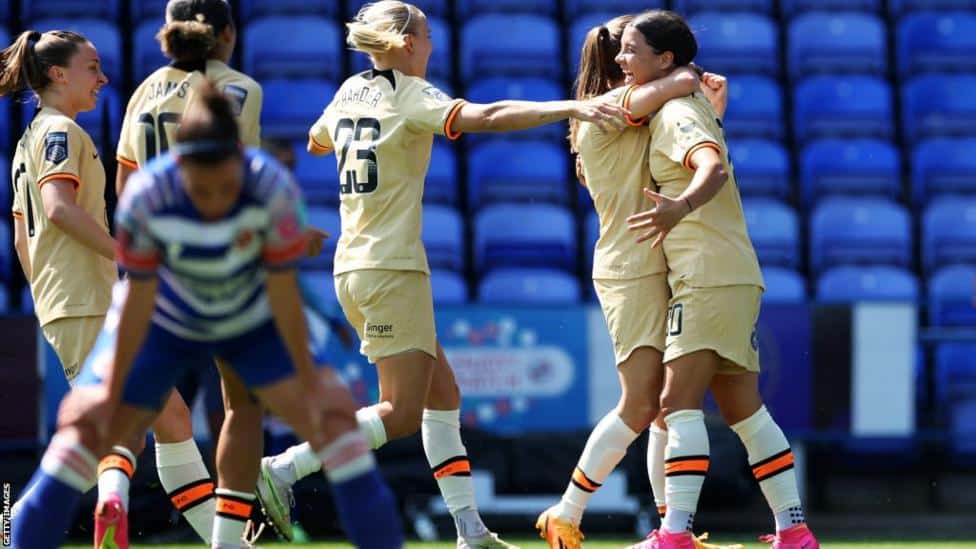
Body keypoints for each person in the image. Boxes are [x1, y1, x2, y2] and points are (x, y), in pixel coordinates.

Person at [252, 1, 627, 547]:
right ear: (406, 44)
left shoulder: (347, 92)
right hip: (390, 266)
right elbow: (490, 116)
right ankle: (284, 467)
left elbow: (316, 140)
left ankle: (469, 530)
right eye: (426, 34)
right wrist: (572, 106)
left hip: (356, 264)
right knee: (399, 413)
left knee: (442, 395)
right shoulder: (412, 95)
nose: (432, 43)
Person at [11, 83, 405, 549]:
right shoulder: (148, 195)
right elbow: (138, 302)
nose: (214, 199)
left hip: (247, 324)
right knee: (82, 425)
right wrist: (109, 391)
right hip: (166, 323)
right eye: (201, 188)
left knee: (336, 419)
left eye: (225, 186)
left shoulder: (273, 190)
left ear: (241, 162)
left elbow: (282, 297)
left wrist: (308, 381)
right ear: (179, 167)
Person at [536, 14, 740, 549]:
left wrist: (711, 114)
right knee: (641, 404)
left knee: (663, 412)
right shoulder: (607, 109)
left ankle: (674, 531)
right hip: (630, 268)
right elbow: (681, 82)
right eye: (625, 49)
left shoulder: (627, 112)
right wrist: (685, 73)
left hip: (656, 260)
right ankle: (567, 511)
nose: (631, 58)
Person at [618, 10, 819, 549]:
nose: (621, 59)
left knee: (674, 405)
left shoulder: (675, 113)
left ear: (664, 60)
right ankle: (794, 531)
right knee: (743, 410)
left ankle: (674, 536)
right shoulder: (690, 108)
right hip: (729, 273)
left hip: (705, 276)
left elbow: (712, 168)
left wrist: (676, 207)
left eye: (631, 50)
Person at [0, 27, 132, 542]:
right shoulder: (61, 132)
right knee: (101, 432)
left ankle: (217, 534)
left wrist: (48, 293)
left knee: (169, 417)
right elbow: (57, 210)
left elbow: (20, 242)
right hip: (83, 299)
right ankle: (18, 529)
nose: (102, 78)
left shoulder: (28, 138)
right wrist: (127, 258)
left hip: (70, 298)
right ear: (58, 74)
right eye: (92, 67)